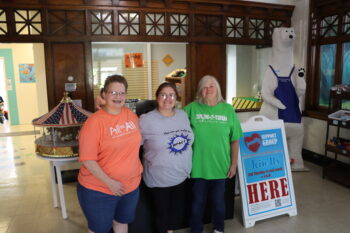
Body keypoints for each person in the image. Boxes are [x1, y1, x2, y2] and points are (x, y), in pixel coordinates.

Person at [77, 75, 143, 233]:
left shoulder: (131, 116)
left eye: (121, 93)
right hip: (99, 190)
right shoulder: (94, 123)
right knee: (99, 229)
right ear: (104, 94)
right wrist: (110, 182)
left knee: (121, 223)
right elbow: (88, 159)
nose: (118, 97)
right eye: (113, 92)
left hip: (130, 187)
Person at [184, 75, 242, 233]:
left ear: (218, 90)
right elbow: (174, 124)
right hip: (198, 166)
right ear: (200, 91)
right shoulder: (191, 108)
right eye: (204, 87)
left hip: (220, 166)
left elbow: (235, 139)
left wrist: (234, 164)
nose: (208, 89)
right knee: (197, 203)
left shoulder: (228, 109)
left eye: (211, 86)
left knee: (218, 203)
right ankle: (196, 230)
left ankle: (219, 228)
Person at [139, 82, 194, 233]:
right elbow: (133, 145)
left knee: (174, 215)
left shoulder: (183, 115)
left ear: (176, 98)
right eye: (163, 94)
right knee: (162, 216)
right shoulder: (146, 120)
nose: (167, 98)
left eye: (171, 95)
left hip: (181, 176)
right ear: (157, 98)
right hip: (158, 179)